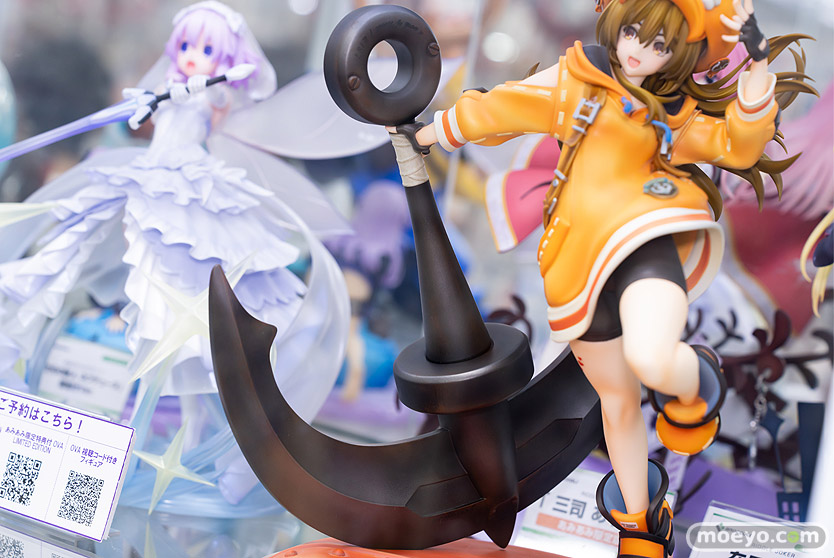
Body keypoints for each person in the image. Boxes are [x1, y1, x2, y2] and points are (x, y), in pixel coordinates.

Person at [405, 0, 813, 555]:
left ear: (679, 53)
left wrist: (759, 66)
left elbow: (737, 145)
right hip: (576, 267)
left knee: (651, 357)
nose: (639, 50)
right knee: (616, 404)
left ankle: (697, 384)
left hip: (645, 245)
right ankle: (642, 523)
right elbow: (505, 106)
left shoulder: (674, 113)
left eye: (660, 44)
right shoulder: (575, 78)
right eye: (634, 33)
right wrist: (436, 132)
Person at [0, 1, 349, 511]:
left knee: (184, 320)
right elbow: (142, 119)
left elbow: (240, 93)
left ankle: (197, 441)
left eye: (205, 48)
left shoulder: (211, 94)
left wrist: (198, 93)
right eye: (185, 45)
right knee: (85, 245)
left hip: (185, 193)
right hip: (150, 178)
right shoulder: (171, 87)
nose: (191, 56)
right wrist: (152, 102)